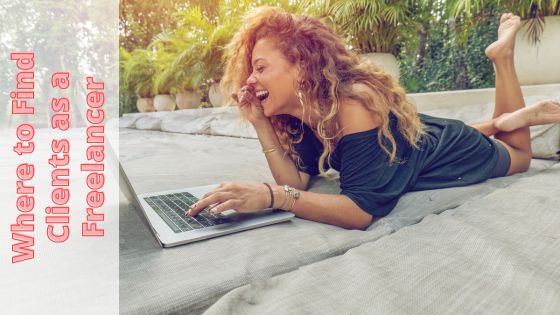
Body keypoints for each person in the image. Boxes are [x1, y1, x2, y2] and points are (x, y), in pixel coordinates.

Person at [186, 7, 560, 229]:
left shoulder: (352, 105)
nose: (250, 80)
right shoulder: (304, 114)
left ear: (301, 68)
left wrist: (272, 197)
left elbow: (360, 210)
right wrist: (261, 123)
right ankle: (500, 122)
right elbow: (296, 179)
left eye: (261, 68)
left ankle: (502, 61)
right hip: (417, 139)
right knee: (427, 136)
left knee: (521, 157)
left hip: (455, 149)